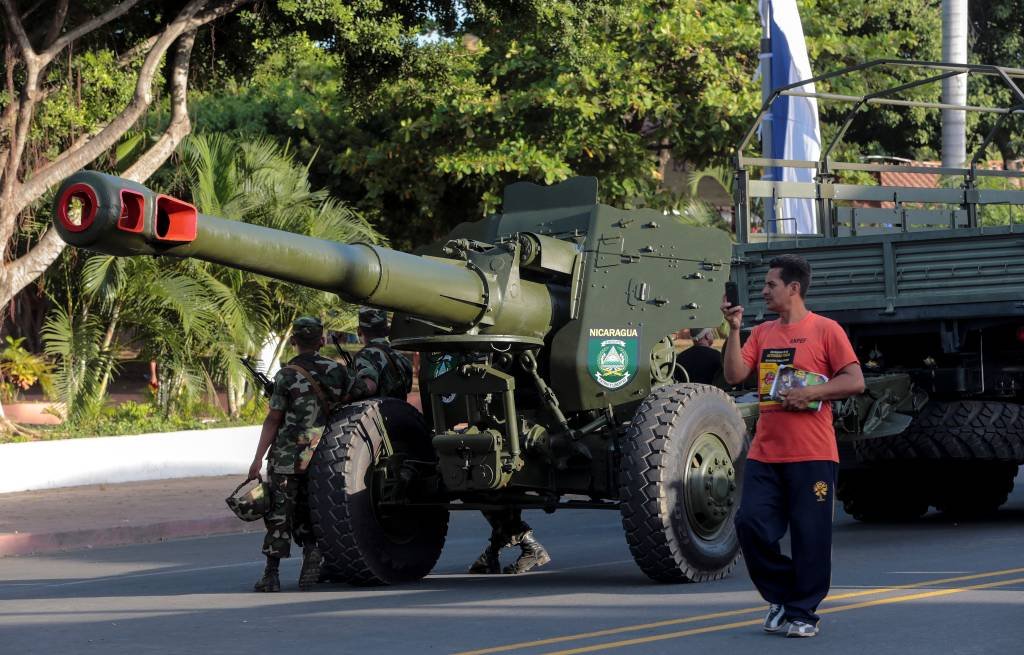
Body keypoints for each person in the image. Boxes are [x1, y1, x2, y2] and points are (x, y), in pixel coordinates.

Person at [721, 253, 864, 638]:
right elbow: (735, 374)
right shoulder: (763, 333)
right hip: (766, 453)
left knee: (809, 537)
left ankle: (803, 613)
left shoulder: (826, 330)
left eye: (771, 285)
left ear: (793, 288)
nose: (763, 291)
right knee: (749, 524)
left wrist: (811, 392)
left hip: (813, 455)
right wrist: (734, 329)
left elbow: (854, 380)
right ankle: (785, 595)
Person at [247, 315, 371, 593]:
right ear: (322, 340)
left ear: (293, 341)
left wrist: (257, 459)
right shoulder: (335, 369)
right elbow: (361, 391)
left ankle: (271, 574)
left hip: (286, 456)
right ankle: (312, 557)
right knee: (310, 510)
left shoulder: (286, 375)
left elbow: (274, 419)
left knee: (280, 514)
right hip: (322, 455)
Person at [351, 308, 413, 399]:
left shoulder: (365, 356)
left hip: (377, 412)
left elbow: (368, 387)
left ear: (359, 330)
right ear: (387, 329)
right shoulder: (400, 356)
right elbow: (408, 388)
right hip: (402, 411)